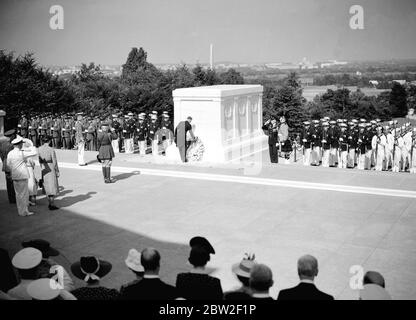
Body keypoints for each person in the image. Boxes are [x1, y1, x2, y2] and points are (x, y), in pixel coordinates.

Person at [6, 136, 37, 216]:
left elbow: (8, 165)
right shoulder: (21, 153)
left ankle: (21, 211)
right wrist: (31, 145)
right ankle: (24, 211)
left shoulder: (10, 153)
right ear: (19, 145)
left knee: (18, 195)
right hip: (22, 176)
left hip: (15, 176)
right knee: (24, 194)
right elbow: (34, 152)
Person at [38, 136, 60, 210]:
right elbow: (54, 161)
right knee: (52, 185)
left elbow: (39, 160)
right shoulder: (51, 149)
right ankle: (51, 204)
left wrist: (42, 167)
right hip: (50, 167)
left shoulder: (39, 149)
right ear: (49, 141)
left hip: (44, 167)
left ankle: (50, 203)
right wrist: (57, 171)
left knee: (47, 185)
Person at [0, 129, 16, 204]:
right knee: (15, 181)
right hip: (12, 164)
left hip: (5, 164)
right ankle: (14, 197)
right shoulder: (13, 145)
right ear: (12, 136)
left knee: (8, 182)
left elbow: (2, 156)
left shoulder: (3, 144)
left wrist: (4, 161)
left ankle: (11, 198)